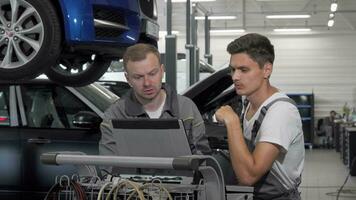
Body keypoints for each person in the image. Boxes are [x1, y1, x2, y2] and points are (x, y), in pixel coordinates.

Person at [214, 33, 304, 199]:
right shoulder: (248, 103)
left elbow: (248, 176)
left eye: (244, 70)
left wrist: (232, 121)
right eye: (233, 70)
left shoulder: (280, 112)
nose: (235, 77)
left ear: (266, 70)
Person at [99, 43, 211, 160]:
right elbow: (110, 166)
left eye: (152, 74)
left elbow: (202, 160)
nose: (147, 83)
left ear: (162, 71)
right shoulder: (114, 116)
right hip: (129, 179)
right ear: (128, 79)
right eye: (138, 77)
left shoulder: (186, 109)